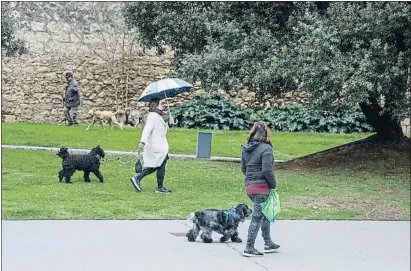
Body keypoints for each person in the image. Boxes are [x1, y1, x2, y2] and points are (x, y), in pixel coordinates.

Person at [241, 121, 280, 257]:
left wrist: (251, 179)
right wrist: (273, 184)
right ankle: (249, 247)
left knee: (265, 213)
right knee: (257, 217)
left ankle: (268, 243)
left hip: (250, 187)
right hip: (262, 188)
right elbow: (267, 170)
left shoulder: (246, 148)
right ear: (266, 134)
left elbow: (243, 168)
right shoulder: (266, 149)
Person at [130, 98, 175, 194]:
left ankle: (142, 180)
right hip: (156, 145)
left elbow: (162, 128)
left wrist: (170, 123)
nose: (162, 105)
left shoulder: (158, 115)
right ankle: (155, 186)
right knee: (158, 165)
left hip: (160, 145)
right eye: (160, 104)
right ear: (155, 105)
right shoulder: (153, 116)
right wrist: (142, 142)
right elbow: (147, 129)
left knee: (158, 165)